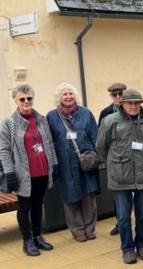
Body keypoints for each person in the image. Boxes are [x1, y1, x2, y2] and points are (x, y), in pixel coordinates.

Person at [96, 89, 143, 264]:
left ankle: (141, 244)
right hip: (120, 176)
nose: (133, 106)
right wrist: (113, 164)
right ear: (122, 104)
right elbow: (101, 147)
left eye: (137, 103)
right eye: (130, 103)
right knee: (123, 216)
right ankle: (127, 248)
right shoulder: (110, 121)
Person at [0, 84, 58, 256]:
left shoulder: (41, 119)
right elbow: (3, 150)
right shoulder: (8, 123)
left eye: (29, 98)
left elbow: (49, 143)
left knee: (38, 205)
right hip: (23, 174)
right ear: (16, 101)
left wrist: (54, 164)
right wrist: (10, 173)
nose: (26, 102)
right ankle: (27, 241)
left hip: (41, 171)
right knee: (24, 207)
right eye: (22, 99)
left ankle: (38, 236)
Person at [47, 82, 100, 243]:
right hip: (65, 163)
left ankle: (90, 229)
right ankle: (77, 230)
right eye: (65, 94)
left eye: (71, 93)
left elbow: (95, 136)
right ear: (59, 97)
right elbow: (49, 141)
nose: (68, 96)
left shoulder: (85, 113)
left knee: (89, 196)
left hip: (86, 160)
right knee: (70, 198)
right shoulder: (51, 116)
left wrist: (98, 156)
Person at [98, 82, 126, 236]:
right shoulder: (105, 113)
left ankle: (140, 222)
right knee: (118, 194)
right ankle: (120, 222)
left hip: (131, 158)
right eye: (114, 95)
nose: (117, 97)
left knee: (135, 192)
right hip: (114, 160)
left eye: (120, 94)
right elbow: (101, 138)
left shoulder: (132, 109)